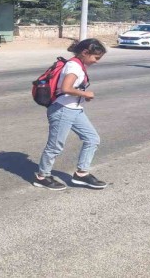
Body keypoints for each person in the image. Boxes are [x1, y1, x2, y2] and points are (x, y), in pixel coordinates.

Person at [33, 38, 108, 191]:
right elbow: (66, 88)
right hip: (62, 110)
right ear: (85, 53)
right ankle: (42, 176)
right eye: (96, 57)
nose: (97, 61)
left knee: (92, 139)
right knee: (55, 146)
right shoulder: (74, 66)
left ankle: (81, 174)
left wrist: (81, 97)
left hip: (75, 109)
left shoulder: (78, 65)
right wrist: (85, 93)